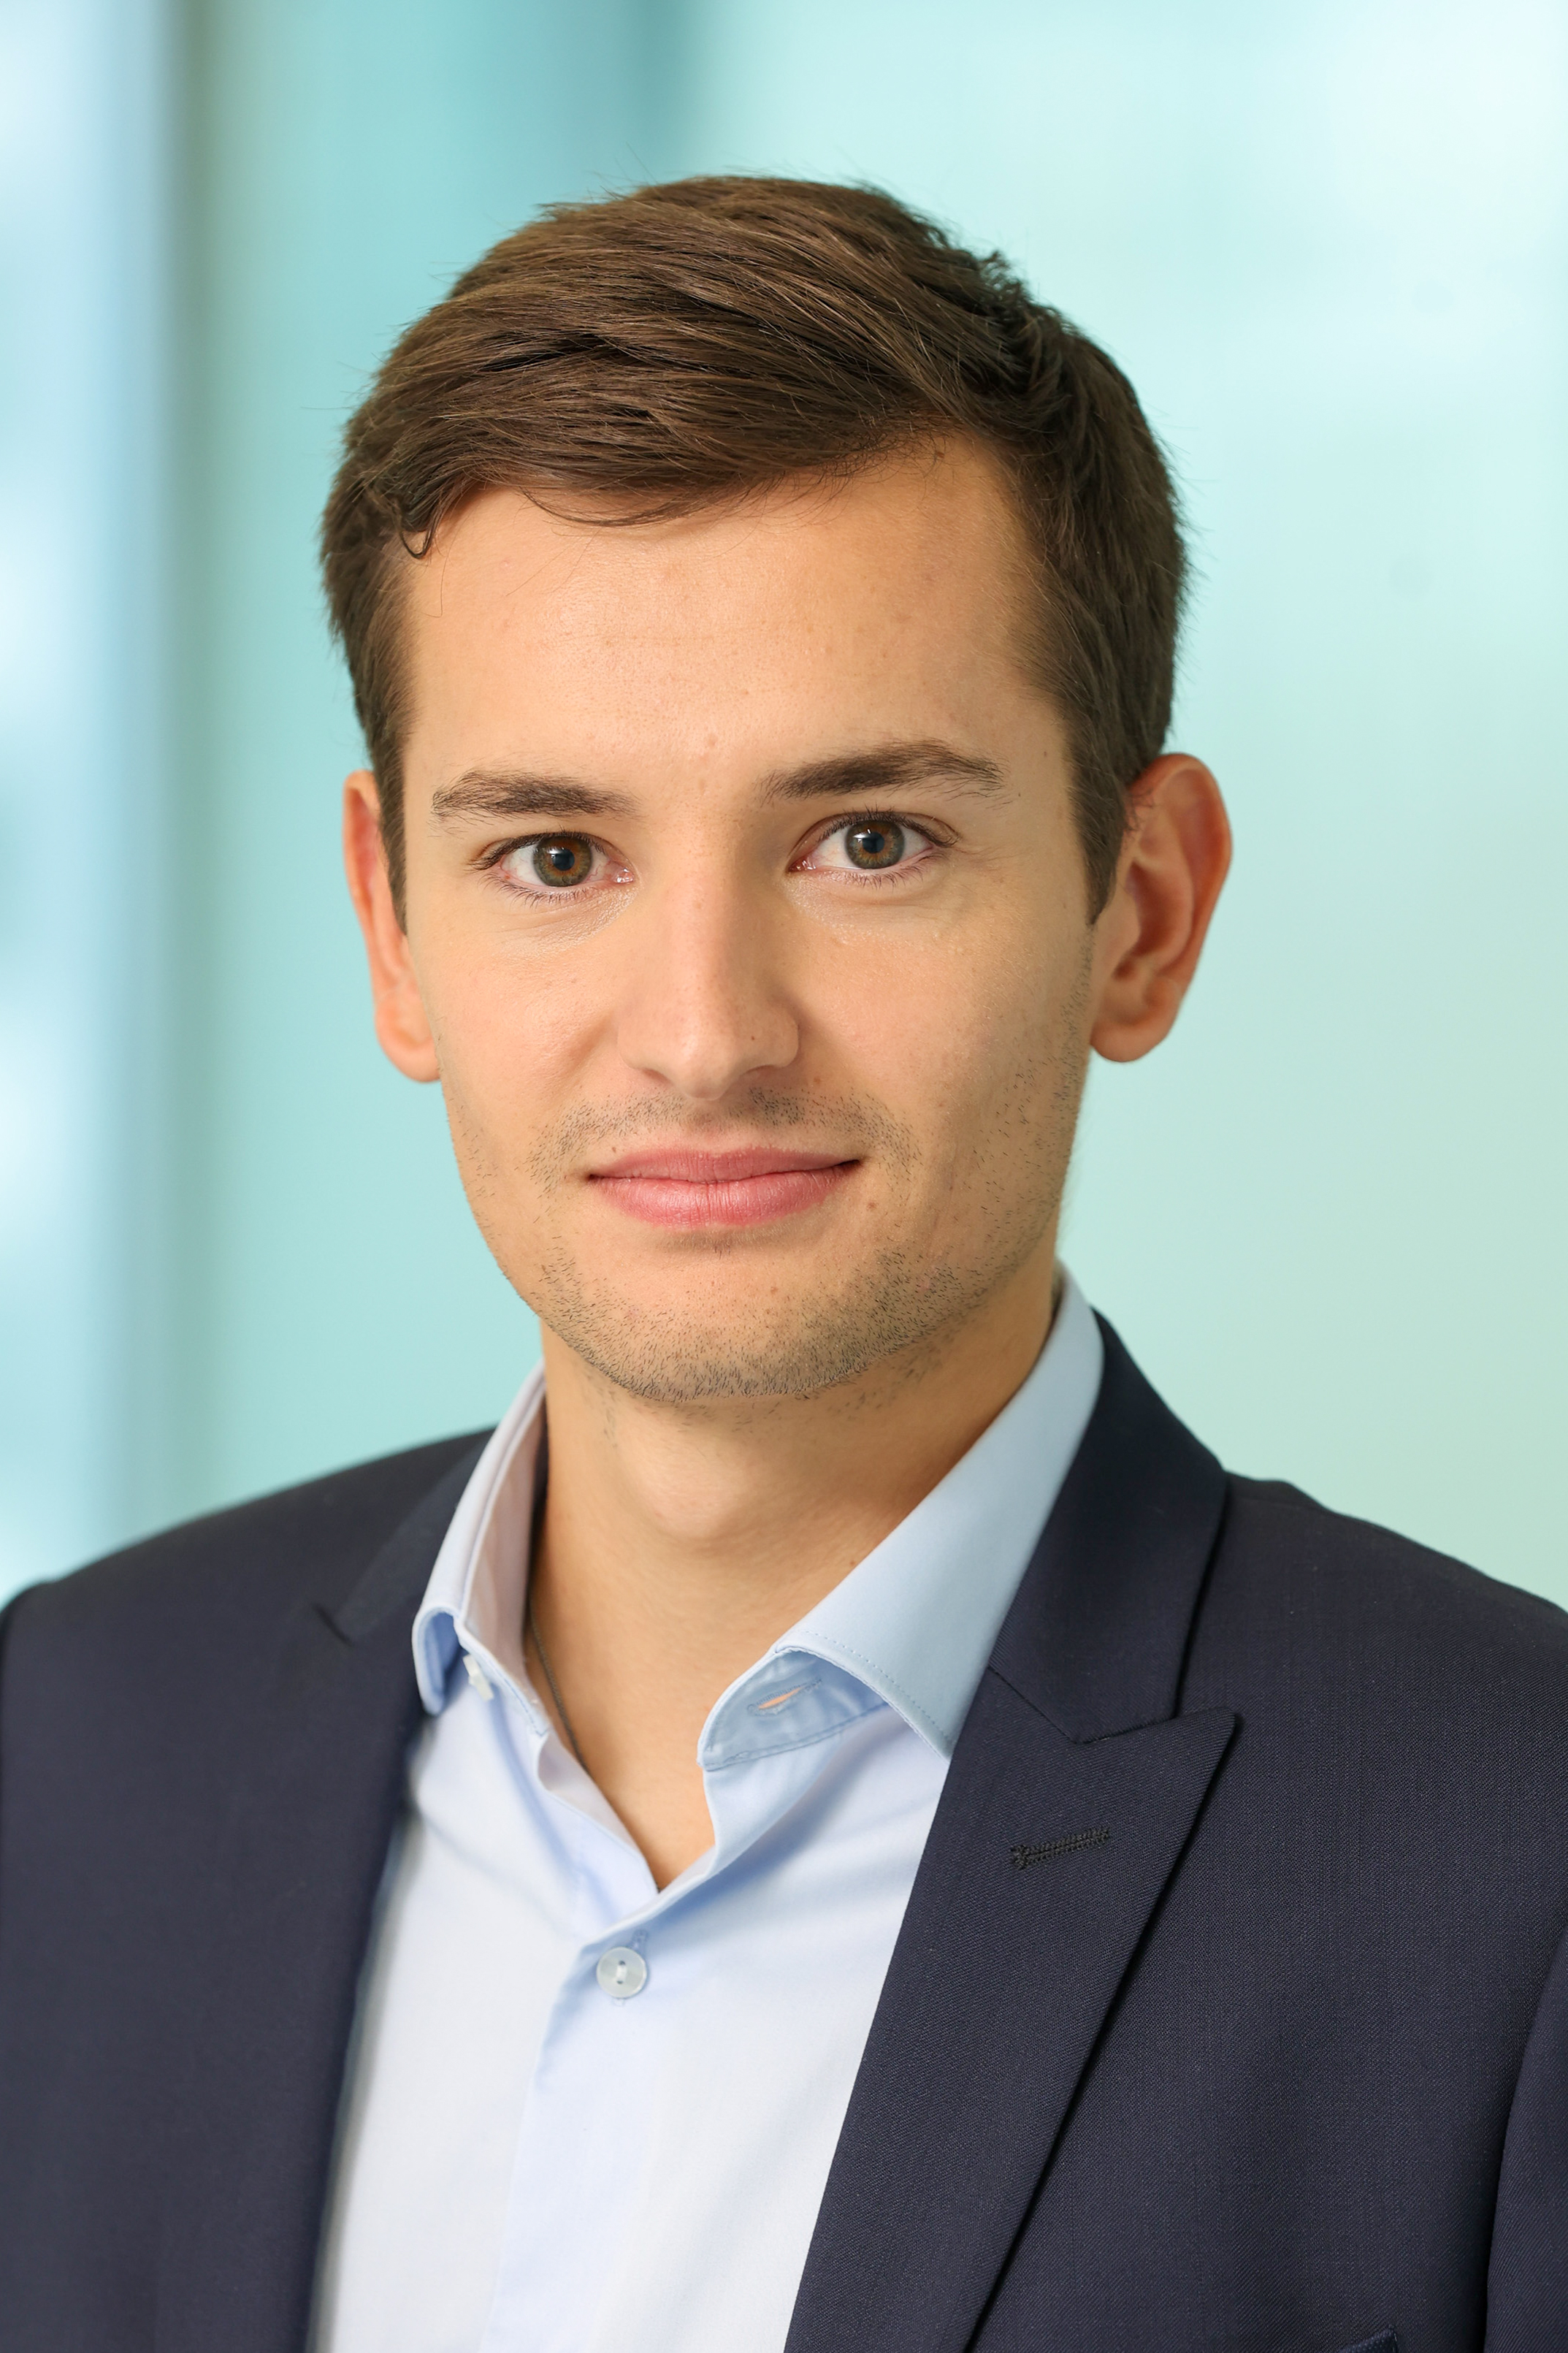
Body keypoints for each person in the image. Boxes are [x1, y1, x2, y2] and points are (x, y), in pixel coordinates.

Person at [1, 176, 1564, 2353]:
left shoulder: (1514, 1869)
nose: (705, 1033)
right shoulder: (64, 1747)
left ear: (1141, 910)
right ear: (392, 928)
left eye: (869, 842)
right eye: (555, 853)